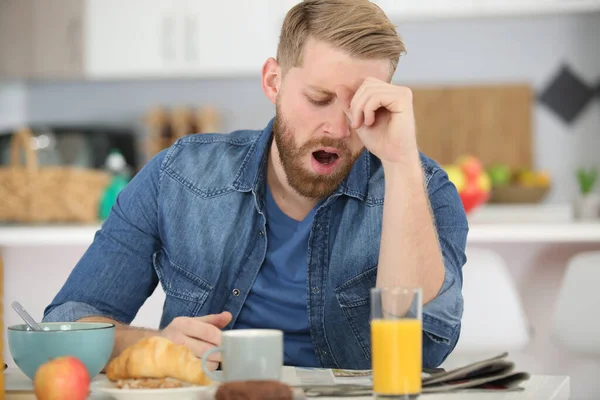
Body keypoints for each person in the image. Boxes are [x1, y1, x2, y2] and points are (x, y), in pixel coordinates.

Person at [43, 0, 468, 370]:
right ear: (273, 82)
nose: (339, 128)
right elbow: (65, 324)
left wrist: (400, 162)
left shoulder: (423, 190)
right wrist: (149, 344)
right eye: (319, 99)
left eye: (362, 108)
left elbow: (422, 350)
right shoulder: (179, 175)